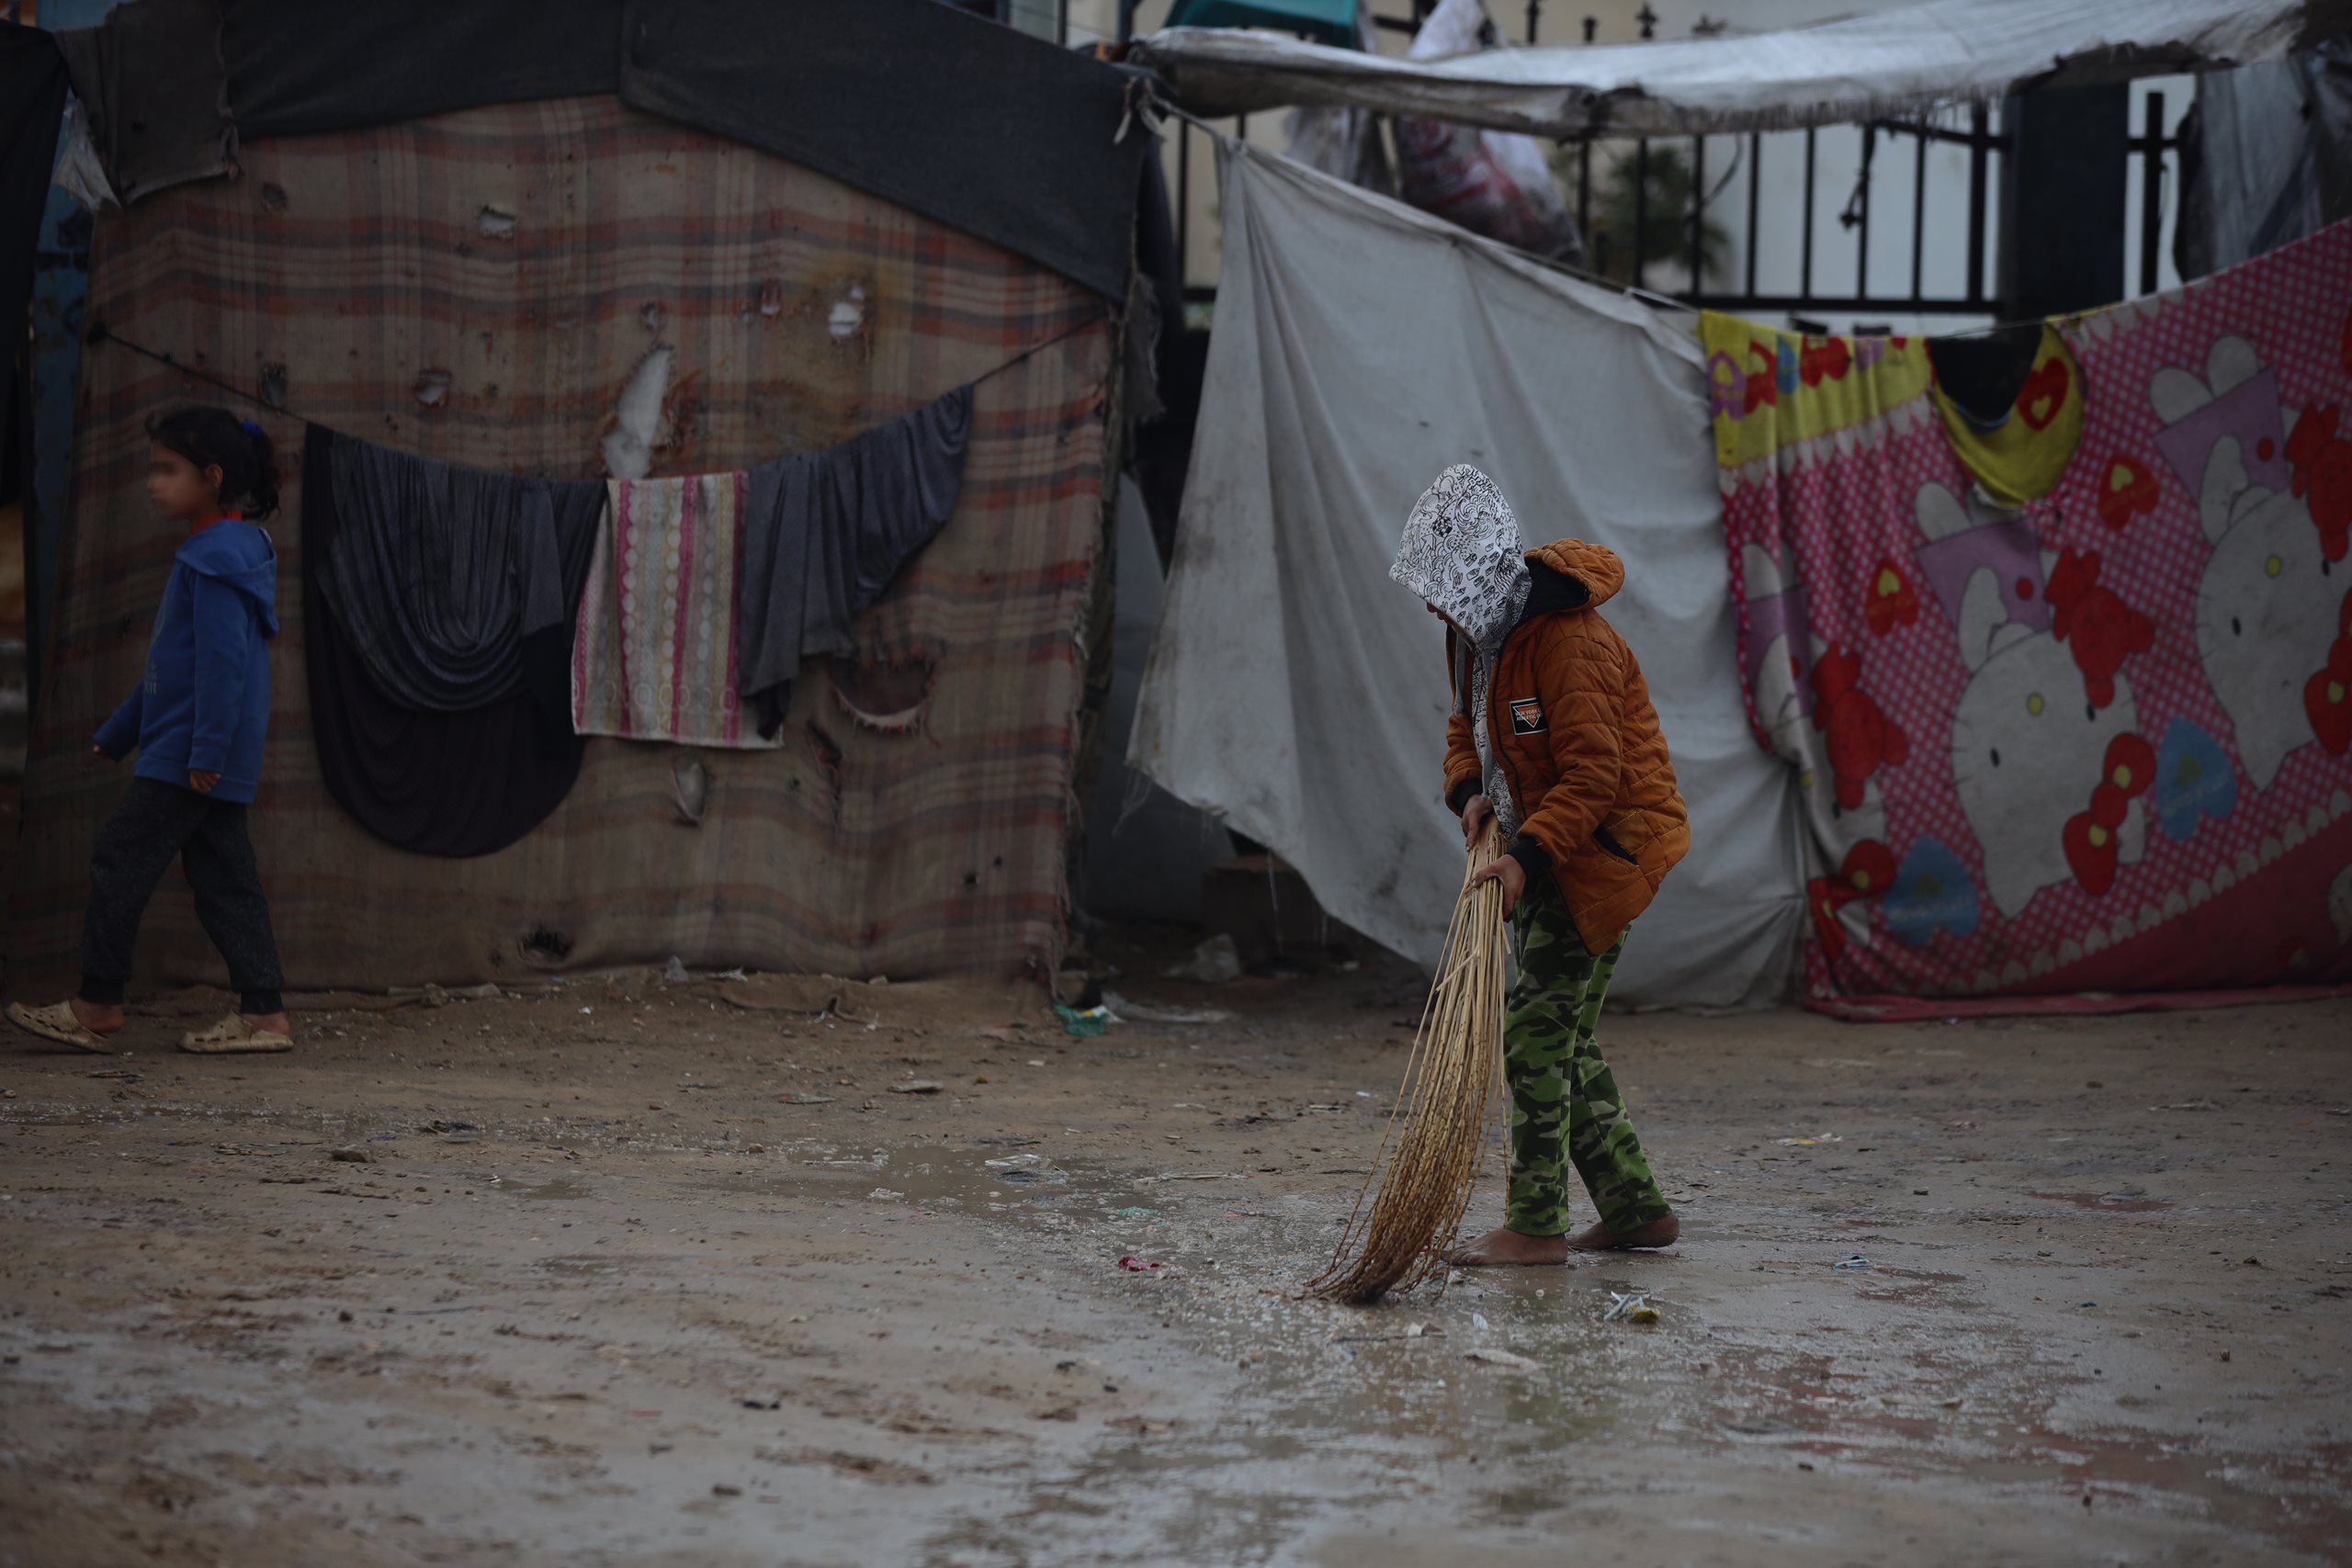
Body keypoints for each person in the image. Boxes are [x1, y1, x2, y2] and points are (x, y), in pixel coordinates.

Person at [1390, 465, 1688, 1263]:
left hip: (1603, 857)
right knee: (1563, 1035)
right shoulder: (1471, 637)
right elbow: (1467, 729)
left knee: (1533, 1033)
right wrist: (1469, 794)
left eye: (1440, 588)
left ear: (1483, 574)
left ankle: (1536, 1224)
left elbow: (1596, 776)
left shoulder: (1570, 642)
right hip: (1549, 851)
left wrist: (1525, 855)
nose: (1431, 606)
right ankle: (1635, 1209)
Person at [6, 408, 291, 1056]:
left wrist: (206, 752)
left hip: (192, 754)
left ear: (211, 478)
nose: (150, 483)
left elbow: (222, 671)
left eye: (166, 470)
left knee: (119, 855)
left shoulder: (218, 561)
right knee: (224, 878)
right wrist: (119, 731)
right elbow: (174, 667)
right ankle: (264, 1013)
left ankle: (97, 1003)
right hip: (194, 747)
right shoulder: (215, 554)